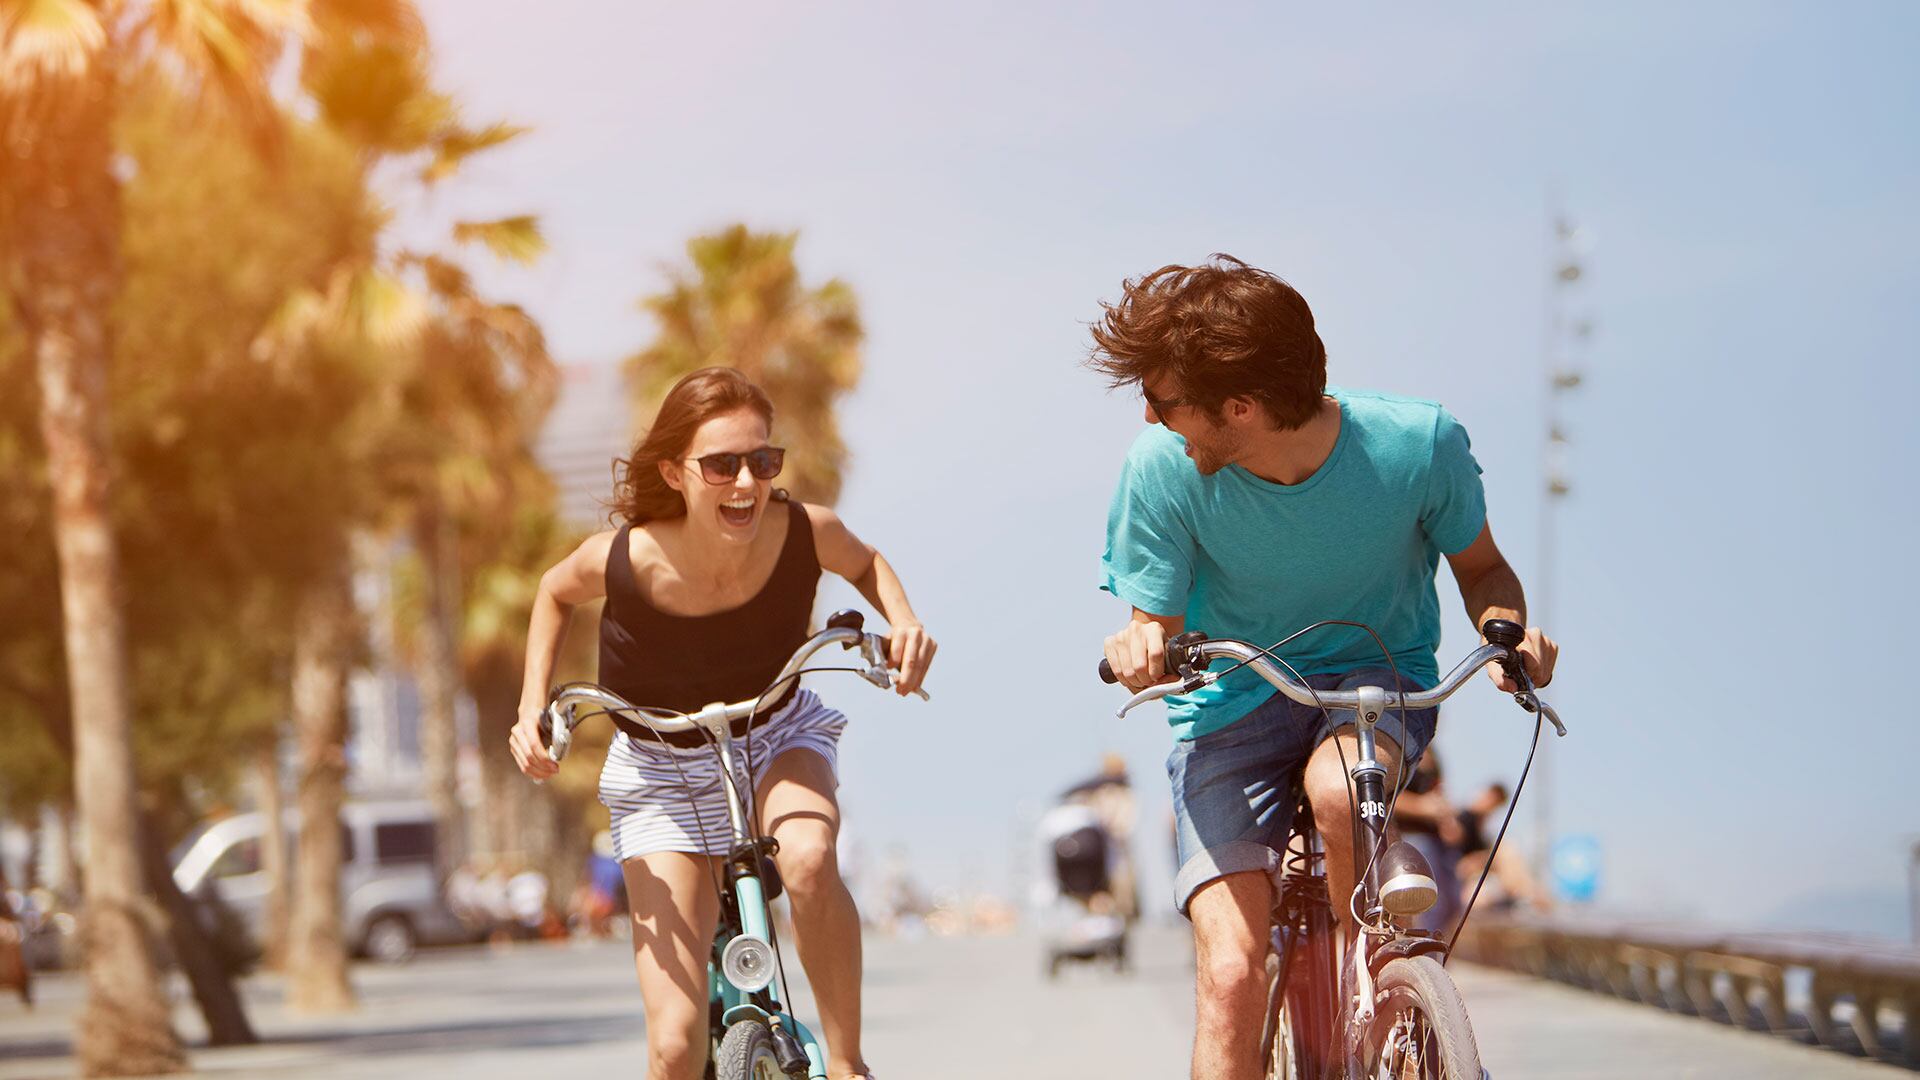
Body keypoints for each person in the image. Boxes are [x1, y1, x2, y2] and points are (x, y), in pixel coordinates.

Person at [1091, 255, 1559, 1080]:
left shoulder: (1420, 446)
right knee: (1232, 974)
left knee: (1342, 793)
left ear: (1240, 407)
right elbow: (1152, 623)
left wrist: (1506, 629)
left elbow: (1485, 570)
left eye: (1166, 402)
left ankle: (1379, 1008)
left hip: (1372, 693)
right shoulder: (1160, 470)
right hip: (1230, 708)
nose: (1155, 418)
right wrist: (1137, 648)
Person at [508, 367, 935, 1080]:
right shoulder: (628, 558)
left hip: (776, 732)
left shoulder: (802, 533)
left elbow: (866, 564)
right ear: (675, 472)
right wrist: (532, 708)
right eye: (722, 465)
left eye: (762, 461)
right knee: (673, 1047)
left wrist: (906, 625)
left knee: (805, 857)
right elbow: (553, 594)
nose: (746, 483)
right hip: (660, 769)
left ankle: (852, 1064)